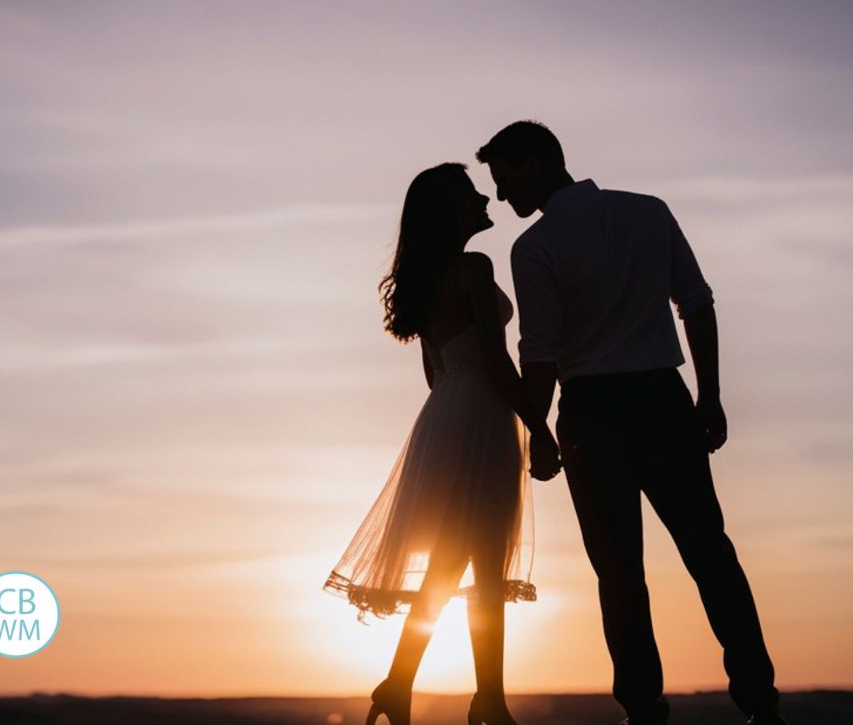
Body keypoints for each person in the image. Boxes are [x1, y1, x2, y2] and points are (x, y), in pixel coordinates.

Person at [476, 121, 787, 725]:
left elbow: (538, 354)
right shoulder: (649, 212)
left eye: (506, 179)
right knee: (711, 554)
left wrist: (534, 433)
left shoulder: (533, 248)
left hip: (593, 417)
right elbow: (695, 302)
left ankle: (643, 711)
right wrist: (710, 395)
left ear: (536, 164)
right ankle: (760, 702)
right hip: (664, 402)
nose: (503, 195)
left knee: (619, 575)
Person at [323, 162, 540, 725]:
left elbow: (434, 371)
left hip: (445, 414)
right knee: (483, 564)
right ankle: (486, 701)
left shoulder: (429, 279)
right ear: (452, 212)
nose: (484, 199)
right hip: (481, 417)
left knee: (452, 564)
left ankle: (404, 686)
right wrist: (538, 425)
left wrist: (457, 410)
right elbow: (495, 361)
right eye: (471, 194)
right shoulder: (474, 267)